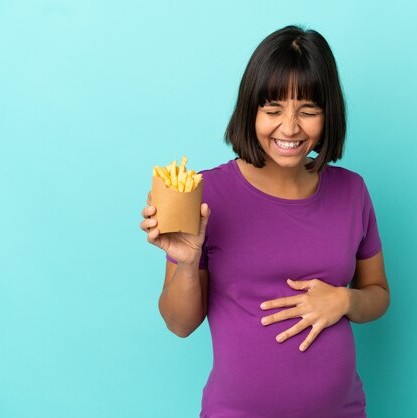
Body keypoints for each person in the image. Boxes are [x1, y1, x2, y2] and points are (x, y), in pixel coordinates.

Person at [140, 25, 390, 418]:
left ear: (328, 115)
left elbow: (377, 293)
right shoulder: (205, 194)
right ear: (250, 110)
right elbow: (180, 324)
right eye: (273, 110)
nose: (289, 128)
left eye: (307, 111)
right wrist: (187, 263)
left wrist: (345, 299)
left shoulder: (352, 192)